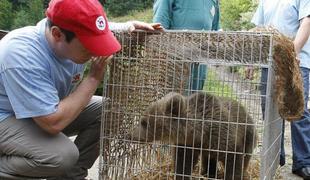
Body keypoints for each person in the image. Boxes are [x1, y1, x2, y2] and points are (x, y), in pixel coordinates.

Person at [0, 0, 160, 179]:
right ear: (57, 34)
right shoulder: (22, 54)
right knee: (61, 156)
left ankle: (70, 176)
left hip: (36, 113)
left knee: (109, 109)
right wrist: (93, 78)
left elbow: (93, 29)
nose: (95, 51)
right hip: (7, 117)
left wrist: (128, 26)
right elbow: (53, 123)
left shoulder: (65, 37)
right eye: (88, 45)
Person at [252, 0, 310, 179]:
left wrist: (292, 53)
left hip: (297, 62)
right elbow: (258, 30)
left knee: (297, 110)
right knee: (269, 110)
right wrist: (253, 58)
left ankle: (303, 161)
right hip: (269, 64)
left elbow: (307, 22)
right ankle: (276, 157)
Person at [153, 0, 221, 91]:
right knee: (172, 99)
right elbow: (159, 24)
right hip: (175, 62)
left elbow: (215, 30)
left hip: (200, 63)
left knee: (194, 99)